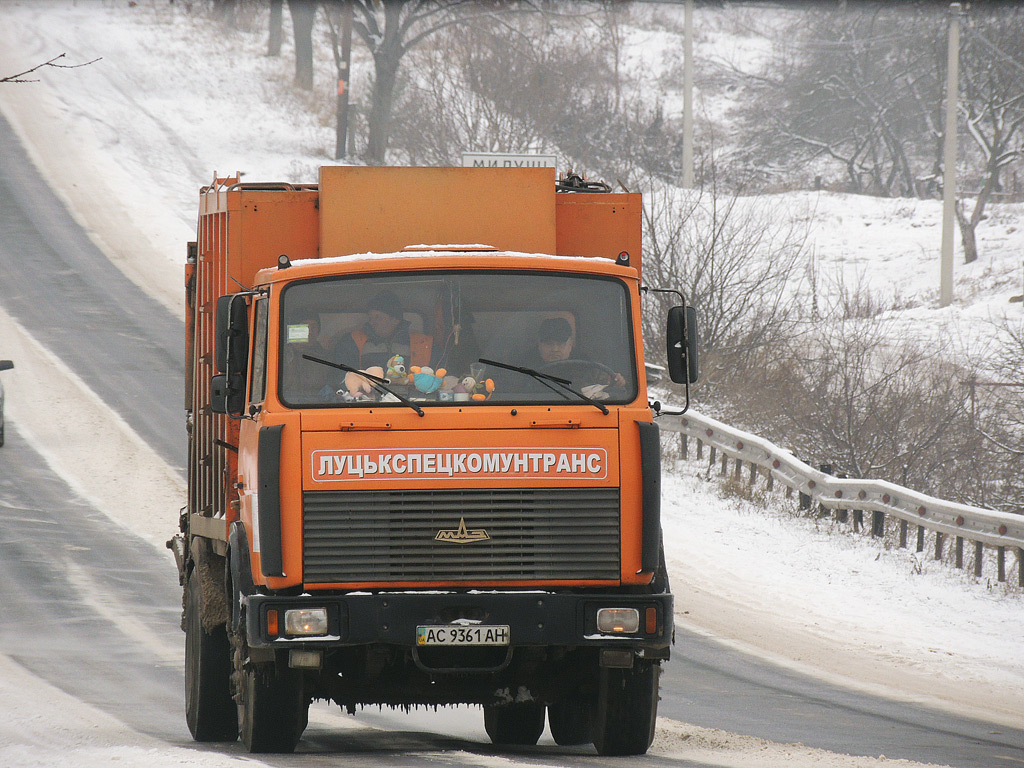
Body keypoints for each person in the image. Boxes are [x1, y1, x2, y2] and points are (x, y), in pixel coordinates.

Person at [332, 291, 433, 395]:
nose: (372, 322)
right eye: (370, 317)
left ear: (395, 320)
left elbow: (440, 376)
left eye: (378, 317)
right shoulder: (352, 341)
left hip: (415, 404)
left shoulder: (423, 343)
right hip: (367, 404)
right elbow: (339, 375)